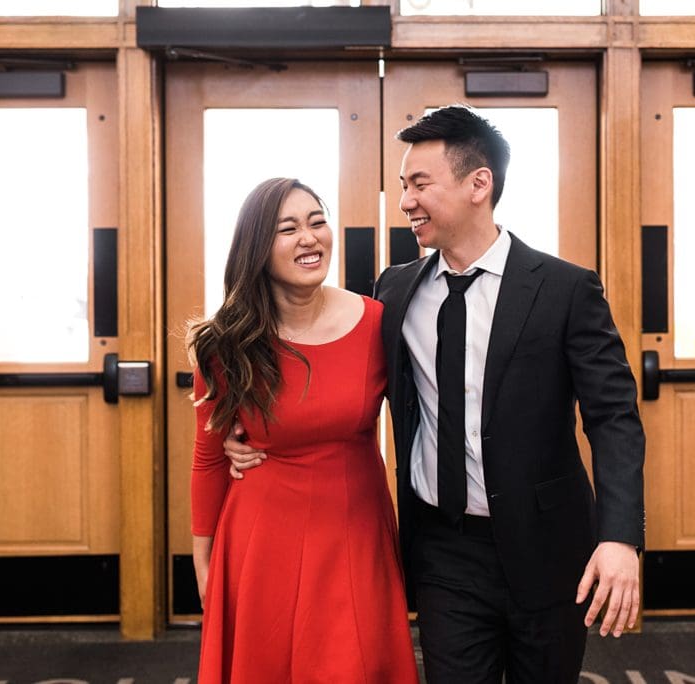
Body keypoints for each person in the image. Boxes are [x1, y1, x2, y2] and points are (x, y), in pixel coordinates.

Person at [228, 106, 645, 683]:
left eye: (419, 184)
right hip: (444, 551)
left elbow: (614, 418)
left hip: (547, 547)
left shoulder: (566, 290)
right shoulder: (393, 293)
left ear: (479, 184)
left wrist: (621, 536)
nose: (405, 201)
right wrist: (248, 426)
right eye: (403, 186)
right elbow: (329, 375)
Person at [187, 177, 419, 684]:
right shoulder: (225, 342)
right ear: (256, 248)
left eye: (317, 222)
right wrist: (205, 567)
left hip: (354, 532)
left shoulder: (377, 322)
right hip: (261, 539)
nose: (309, 238)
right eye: (287, 229)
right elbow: (207, 457)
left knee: (351, 663)